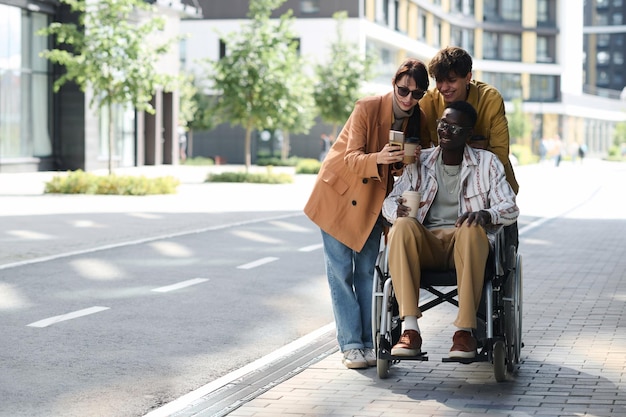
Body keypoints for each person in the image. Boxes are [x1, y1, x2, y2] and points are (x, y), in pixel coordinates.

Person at [304, 58, 431, 369]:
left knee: (365, 273)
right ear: (394, 84)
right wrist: (380, 157)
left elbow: (420, 167)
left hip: (375, 203)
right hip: (339, 196)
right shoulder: (368, 107)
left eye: (417, 94)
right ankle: (350, 345)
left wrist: (401, 164)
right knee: (340, 273)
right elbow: (349, 157)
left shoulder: (419, 120)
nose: (408, 99)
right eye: (403, 90)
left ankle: (367, 342)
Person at [381, 101, 519, 359]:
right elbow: (390, 200)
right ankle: (409, 330)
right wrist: (394, 211)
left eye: (454, 129)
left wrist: (486, 214)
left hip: (466, 246)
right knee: (402, 225)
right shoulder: (420, 161)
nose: (445, 131)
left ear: (468, 135)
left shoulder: (487, 163)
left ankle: (465, 332)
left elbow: (510, 206)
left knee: (470, 226)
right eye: (443, 125)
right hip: (427, 245)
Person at [419, 46, 519, 194]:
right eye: (439, 81)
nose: (444, 87)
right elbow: (423, 151)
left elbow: (500, 154)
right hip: (446, 190)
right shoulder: (428, 102)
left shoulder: (490, 99)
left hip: (492, 188)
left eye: (451, 80)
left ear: (468, 77)